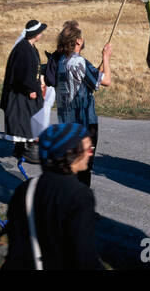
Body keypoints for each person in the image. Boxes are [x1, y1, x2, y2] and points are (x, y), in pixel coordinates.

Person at [2, 122, 102, 270]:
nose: (91, 153)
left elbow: (14, 239)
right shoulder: (79, 195)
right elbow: (84, 257)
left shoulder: (25, 188)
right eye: (87, 148)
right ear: (70, 152)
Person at [48, 22, 113, 186]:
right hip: (84, 123)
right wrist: (106, 57)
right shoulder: (79, 62)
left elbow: (89, 79)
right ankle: (79, 204)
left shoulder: (61, 61)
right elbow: (106, 81)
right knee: (84, 168)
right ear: (78, 41)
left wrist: (98, 68)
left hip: (66, 124)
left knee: (71, 167)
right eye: (81, 37)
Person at [1, 20, 47, 161]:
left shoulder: (30, 47)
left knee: (26, 119)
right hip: (23, 93)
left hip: (28, 90)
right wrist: (30, 90)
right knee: (27, 120)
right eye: (40, 32)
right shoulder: (23, 49)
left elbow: (34, 69)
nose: (42, 34)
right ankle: (28, 151)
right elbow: (22, 73)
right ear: (35, 34)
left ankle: (20, 149)